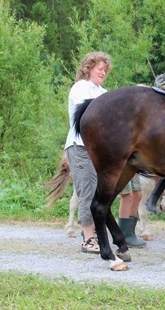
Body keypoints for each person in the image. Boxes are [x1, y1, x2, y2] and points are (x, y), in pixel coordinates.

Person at [64, 52, 112, 254]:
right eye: (99, 68)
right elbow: (90, 114)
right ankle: (88, 238)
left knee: (100, 192)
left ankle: (97, 235)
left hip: (99, 149)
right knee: (87, 190)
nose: (103, 72)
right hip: (79, 146)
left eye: (105, 69)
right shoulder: (80, 88)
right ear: (88, 68)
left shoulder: (104, 91)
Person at [117, 173, 147, 248]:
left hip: (131, 164)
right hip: (121, 164)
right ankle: (124, 235)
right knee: (127, 195)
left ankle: (130, 232)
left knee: (137, 194)